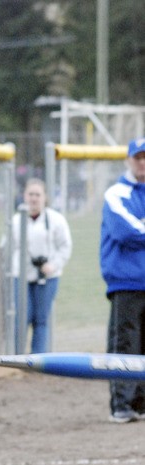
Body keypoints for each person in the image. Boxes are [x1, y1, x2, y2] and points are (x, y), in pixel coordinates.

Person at [100, 137, 145, 424]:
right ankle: (121, 403)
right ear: (129, 160)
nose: (142, 163)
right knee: (125, 344)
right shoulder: (116, 193)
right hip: (126, 282)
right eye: (138, 157)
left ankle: (140, 402)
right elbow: (125, 232)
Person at [9, 177, 72, 353]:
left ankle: (38, 358)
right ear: (24, 196)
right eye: (30, 194)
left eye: (38, 194)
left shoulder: (56, 220)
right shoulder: (16, 220)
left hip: (47, 277)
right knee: (22, 317)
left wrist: (53, 265)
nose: (34, 198)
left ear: (45, 197)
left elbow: (65, 247)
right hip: (20, 277)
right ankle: (18, 357)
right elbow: (7, 248)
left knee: (41, 319)